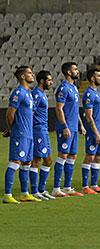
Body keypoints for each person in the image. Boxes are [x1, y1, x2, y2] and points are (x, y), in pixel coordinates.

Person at [3, 66, 38, 204]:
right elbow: (10, 114)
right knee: (15, 162)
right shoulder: (18, 92)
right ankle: (7, 194)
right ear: (22, 76)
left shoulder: (28, 93)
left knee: (27, 163)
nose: (32, 74)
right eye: (29, 73)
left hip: (29, 134)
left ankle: (24, 194)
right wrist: (12, 129)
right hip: (20, 133)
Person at [53, 62, 86, 197]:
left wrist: (81, 124)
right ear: (68, 72)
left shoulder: (74, 88)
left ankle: (67, 187)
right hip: (66, 128)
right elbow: (59, 108)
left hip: (73, 127)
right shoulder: (63, 88)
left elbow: (75, 109)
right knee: (63, 155)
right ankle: (56, 189)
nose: (77, 71)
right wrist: (64, 126)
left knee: (72, 156)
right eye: (75, 69)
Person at [81, 68, 100, 194]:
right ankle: (85, 186)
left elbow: (99, 116)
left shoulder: (97, 94)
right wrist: (96, 133)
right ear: (92, 78)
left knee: (98, 157)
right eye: (99, 76)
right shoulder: (89, 94)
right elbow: (89, 116)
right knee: (90, 156)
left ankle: (94, 185)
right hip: (93, 131)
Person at [30, 70, 55, 201]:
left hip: (43, 130)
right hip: (38, 130)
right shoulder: (36, 94)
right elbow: (30, 112)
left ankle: (41, 189)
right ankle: (35, 191)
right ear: (41, 81)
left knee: (48, 160)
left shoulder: (42, 94)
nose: (51, 83)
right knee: (37, 160)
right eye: (49, 80)